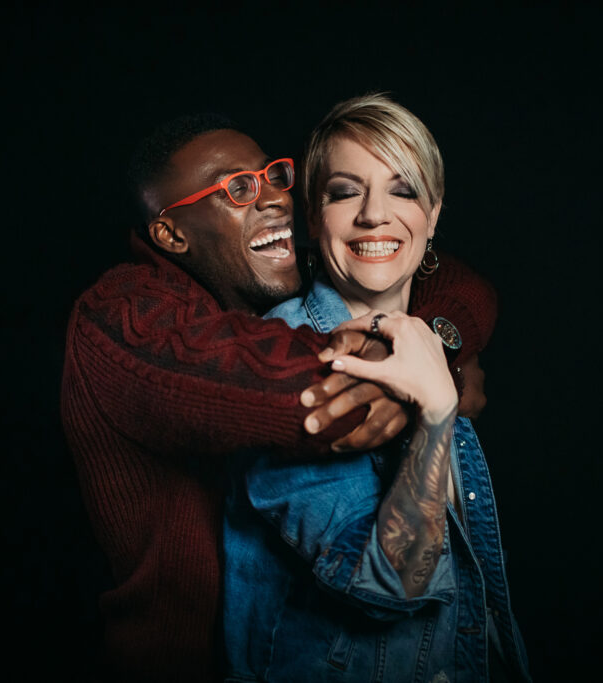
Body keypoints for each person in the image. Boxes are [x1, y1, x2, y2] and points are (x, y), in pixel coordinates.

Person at [60, 113, 499, 682]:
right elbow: (279, 388)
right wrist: (421, 382)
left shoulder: (273, 276)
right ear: (172, 235)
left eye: (274, 177)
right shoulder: (124, 316)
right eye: (236, 188)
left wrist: (440, 339)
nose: (272, 200)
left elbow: (452, 276)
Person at [223, 94, 531, 682]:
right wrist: (437, 411)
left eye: (403, 190)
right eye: (344, 192)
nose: (373, 215)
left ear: (434, 213)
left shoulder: (430, 335)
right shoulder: (282, 352)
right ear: (313, 217)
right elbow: (388, 587)